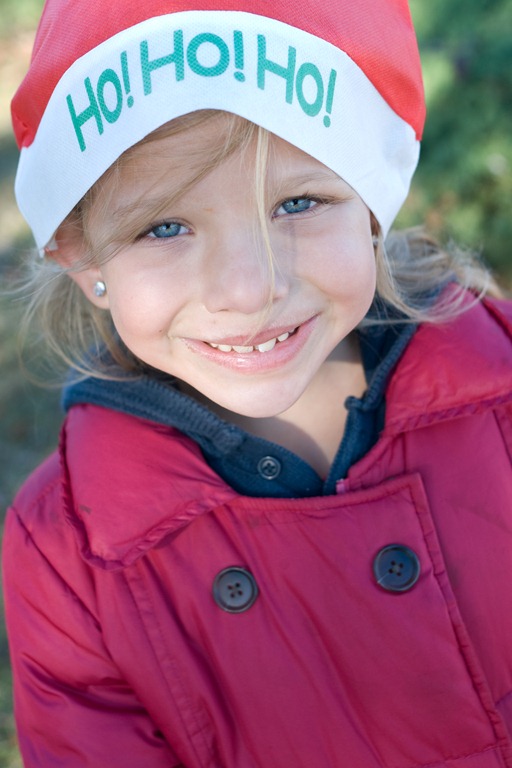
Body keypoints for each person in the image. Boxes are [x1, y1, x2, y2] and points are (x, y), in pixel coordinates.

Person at [3, 0, 512, 765]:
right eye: (164, 228)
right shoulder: (67, 553)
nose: (247, 288)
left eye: (298, 203)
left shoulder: (500, 383)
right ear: (83, 259)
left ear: (373, 205)